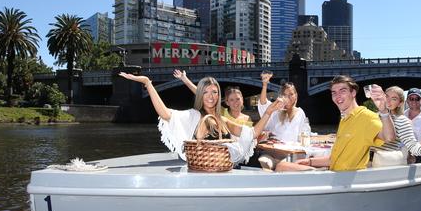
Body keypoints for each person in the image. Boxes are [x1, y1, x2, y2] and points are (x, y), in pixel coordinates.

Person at [118, 72, 281, 165]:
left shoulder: (221, 119)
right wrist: (148, 83)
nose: (211, 96)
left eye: (214, 92)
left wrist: (269, 112)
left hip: (222, 172)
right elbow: (166, 114)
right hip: (203, 174)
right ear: (200, 94)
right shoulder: (194, 115)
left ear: (218, 95)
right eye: (206, 92)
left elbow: (251, 133)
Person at [275, 75, 395, 172]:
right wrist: (310, 162)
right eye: (334, 92)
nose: (338, 96)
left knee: (281, 166)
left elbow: (389, 137)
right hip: (333, 173)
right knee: (287, 165)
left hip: (342, 179)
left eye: (342, 91)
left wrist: (384, 111)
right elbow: (334, 160)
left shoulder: (366, 117)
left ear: (353, 93)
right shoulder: (345, 119)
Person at [373, 86, 421, 166]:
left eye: (394, 99)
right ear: (407, 101)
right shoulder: (372, 117)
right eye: (387, 96)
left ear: (400, 103)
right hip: (371, 161)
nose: (388, 101)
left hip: (392, 160)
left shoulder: (404, 120)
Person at [173, 69, 253, 126]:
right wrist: (184, 79)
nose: (236, 102)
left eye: (238, 99)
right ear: (227, 102)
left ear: (242, 99)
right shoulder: (222, 112)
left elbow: (250, 138)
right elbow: (201, 94)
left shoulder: (248, 118)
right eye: (231, 100)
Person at [258, 71, 309, 143]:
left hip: (293, 150)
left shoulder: (300, 113)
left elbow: (304, 132)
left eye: (291, 94)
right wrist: (264, 85)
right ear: (282, 97)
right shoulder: (277, 111)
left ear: (296, 95)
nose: (288, 97)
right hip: (276, 150)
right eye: (285, 95)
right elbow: (263, 104)